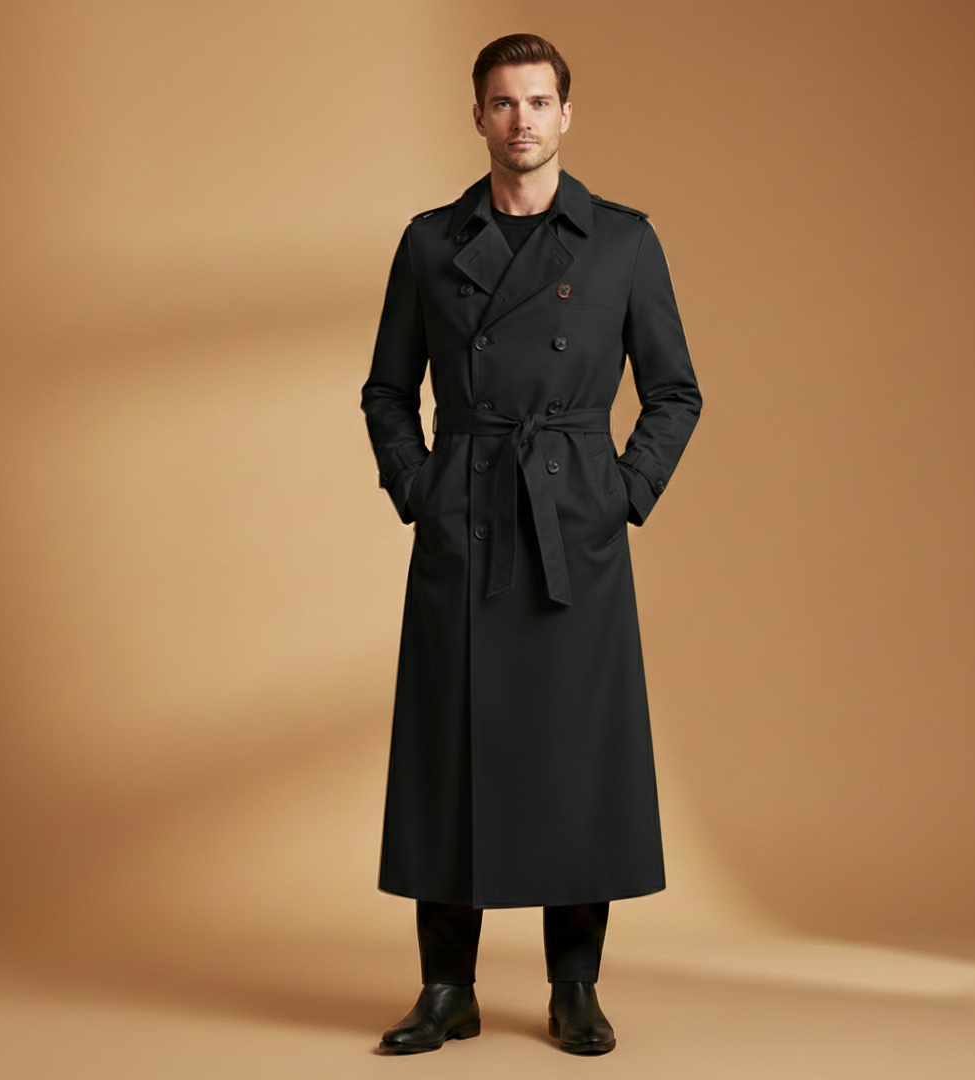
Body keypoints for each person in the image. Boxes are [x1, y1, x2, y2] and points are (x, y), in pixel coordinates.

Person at [361, 33, 701, 1055]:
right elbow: (387, 389)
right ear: (478, 116)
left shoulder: (623, 242)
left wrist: (619, 493)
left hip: (571, 533)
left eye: (539, 101)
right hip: (465, 523)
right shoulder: (430, 242)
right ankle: (445, 990)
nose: (522, 120)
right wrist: (419, 487)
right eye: (503, 103)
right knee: (447, 754)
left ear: (566, 115)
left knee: (576, 758)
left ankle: (575, 988)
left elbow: (676, 391)